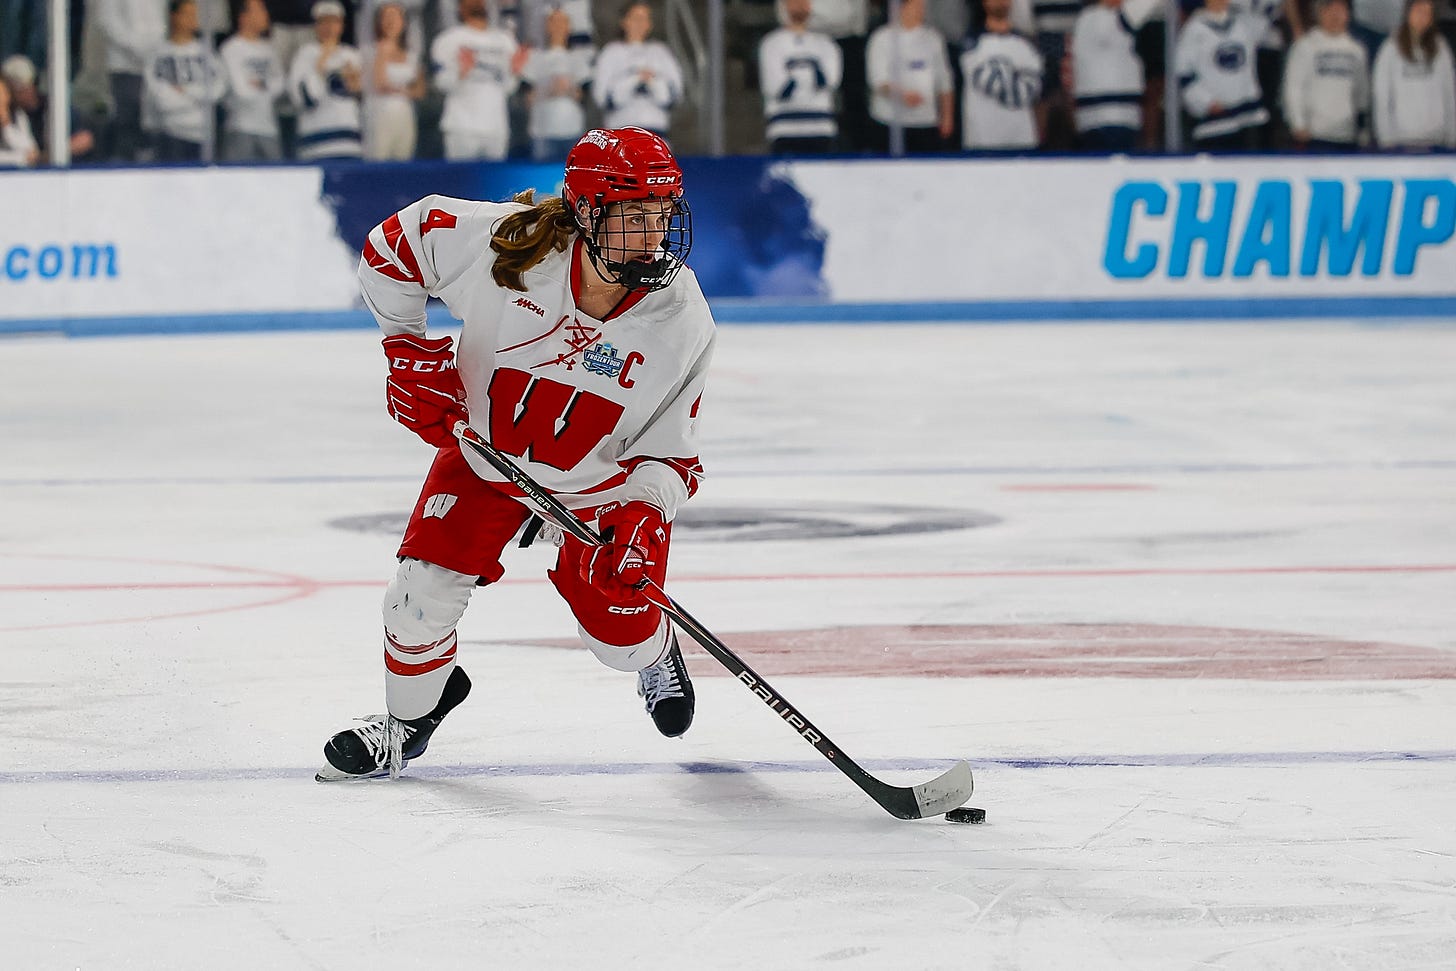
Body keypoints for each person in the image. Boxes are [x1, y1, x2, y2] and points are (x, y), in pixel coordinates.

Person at [316, 127, 713, 782]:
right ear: (586, 210)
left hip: (596, 489)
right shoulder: (509, 245)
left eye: (663, 214)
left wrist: (642, 514)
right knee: (414, 602)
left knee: (618, 642)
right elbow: (391, 248)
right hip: (485, 458)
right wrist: (407, 352)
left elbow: (670, 456)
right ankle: (408, 722)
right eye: (635, 216)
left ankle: (651, 650)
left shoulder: (680, 314)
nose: (654, 235)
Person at [430, 0, 526, 161]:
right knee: (460, 183)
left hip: (496, 127)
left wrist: (515, 73)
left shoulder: (505, 40)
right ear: (460, 7)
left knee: (495, 185)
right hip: (461, 127)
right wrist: (462, 73)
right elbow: (441, 83)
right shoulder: (448, 40)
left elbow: (509, 88)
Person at [1175, 0, 1270, 151]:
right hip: (1214, 123)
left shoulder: (1244, 23)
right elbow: (1183, 74)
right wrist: (1206, 102)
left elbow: (1265, 17)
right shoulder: (1194, 29)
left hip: (1248, 117)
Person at [142, 0, 228, 162]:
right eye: (187, 14)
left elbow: (218, 89)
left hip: (204, 136)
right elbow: (162, 101)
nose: (192, 19)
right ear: (174, 16)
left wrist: (186, 91)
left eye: (194, 15)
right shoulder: (158, 55)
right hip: (170, 135)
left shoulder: (207, 52)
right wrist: (198, 99)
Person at [866, 0, 955, 153]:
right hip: (889, 122)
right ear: (901, 8)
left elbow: (945, 81)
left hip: (926, 121)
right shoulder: (881, 38)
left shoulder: (933, 38)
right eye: (916, 6)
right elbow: (877, 80)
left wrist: (947, 116)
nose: (921, 10)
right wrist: (902, 95)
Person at [1282, 0, 1371, 152]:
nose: (1335, 15)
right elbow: (1293, 87)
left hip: (1347, 134)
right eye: (1329, 10)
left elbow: (1362, 93)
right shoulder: (1305, 46)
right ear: (1320, 13)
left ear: (1348, 14)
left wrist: (1362, 128)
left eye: (1340, 10)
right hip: (1314, 135)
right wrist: (1298, 124)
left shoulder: (1357, 50)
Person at [759, 0, 844, 154]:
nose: (799, 5)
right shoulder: (771, 44)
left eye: (803, 2)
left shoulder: (826, 44)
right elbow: (776, 87)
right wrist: (809, 73)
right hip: (784, 129)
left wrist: (796, 74)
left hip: (821, 127)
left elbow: (830, 81)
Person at [959, 0, 1043, 151]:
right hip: (982, 141)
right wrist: (1015, 80)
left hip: (1022, 140)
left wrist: (1000, 72)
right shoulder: (972, 42)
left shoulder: (1025, 43)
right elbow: (983, 78)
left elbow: (1033, 87)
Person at [1371, 0, 1456, 149]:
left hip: (1436, 139)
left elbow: (1450, 93)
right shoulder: (1390, 47)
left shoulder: (1441, 47)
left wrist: (1452, 136)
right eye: (1418, 11)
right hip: (1401, 140)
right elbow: (1382, 96)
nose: (1422, 17)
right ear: (1408, 13)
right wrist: (1386, 139)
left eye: (1427, 13)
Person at [592, 1, 684, 136]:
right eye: (635, 18)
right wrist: (634, 79)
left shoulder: (661, 52)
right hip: (621, 135)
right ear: (624, 21)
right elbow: (601, 97)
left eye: (644, 18)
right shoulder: (611, 52)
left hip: (656, 135)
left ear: (650, 24)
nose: (640, 23)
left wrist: (652, 82)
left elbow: (675, 93)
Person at [288, 0, 364, 160]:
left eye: (334, 21)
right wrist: (321, 65)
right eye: (324, 22)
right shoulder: (305, 55)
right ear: (316, 25)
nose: (329, 27)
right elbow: (304, 99)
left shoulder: (352, 55)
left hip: (349, 143)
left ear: (342, 25)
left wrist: (356, 86)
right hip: (317, 144)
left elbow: (362, 99)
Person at [95, 0, 168, 161]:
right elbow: (107, 21)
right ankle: (123, 161)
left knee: (153, 120)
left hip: (153, 63)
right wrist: (135, 46)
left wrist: (152, 48)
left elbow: (161, 20)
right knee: (126, 118)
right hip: (123, 65)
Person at [1069, 0, 1146, 151]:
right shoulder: (1102, 19)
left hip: (1098, 118)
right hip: (1112, 117)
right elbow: (1142, 7)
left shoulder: (1086, 19)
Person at [521, 6, 594, 162]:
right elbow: (526, 97)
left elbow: (586, 97)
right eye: (554, 22)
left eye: (563, 22)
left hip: (572, 131)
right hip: (542, 133)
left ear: (569, 27)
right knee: (541, 183)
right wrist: (548, 90)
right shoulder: (535, 57)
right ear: (547, 26)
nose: (558, 26)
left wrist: (569, 90)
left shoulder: (578, 59)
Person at [220, 0, 286, 161]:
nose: (266, 16)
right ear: (244, 16)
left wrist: (260, 84)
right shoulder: (231, 49)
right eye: (260, 11)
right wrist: (268, 87)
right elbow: (241, 91)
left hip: (269, 128)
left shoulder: (269, 49)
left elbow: (281, 84)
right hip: (241, 127)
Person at [1, 53, 98, 163]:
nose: (26, 92)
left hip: (64, 172)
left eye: (27, 86)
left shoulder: (54, 107)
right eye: (18, 90)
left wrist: (47, 156)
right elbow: (24, 152)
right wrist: (4, 118)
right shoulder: (11, 114)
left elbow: (85, 139)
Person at [364, 1, 424, 160]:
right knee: (378, 160)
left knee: (404, 159)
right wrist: (383, 51)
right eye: (386, 17)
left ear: (403, 22)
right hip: (379, 113)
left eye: (395, 17)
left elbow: (420, 90)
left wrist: (400, 91)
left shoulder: (411, 54)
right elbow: (379, 83)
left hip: (405, 114)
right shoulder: (370, 51)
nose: (391, 21)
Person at [0, 69, 40, 168]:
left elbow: (31, 151)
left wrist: (6, 125)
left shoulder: (17, 115)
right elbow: (26, 157)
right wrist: (20, 158)